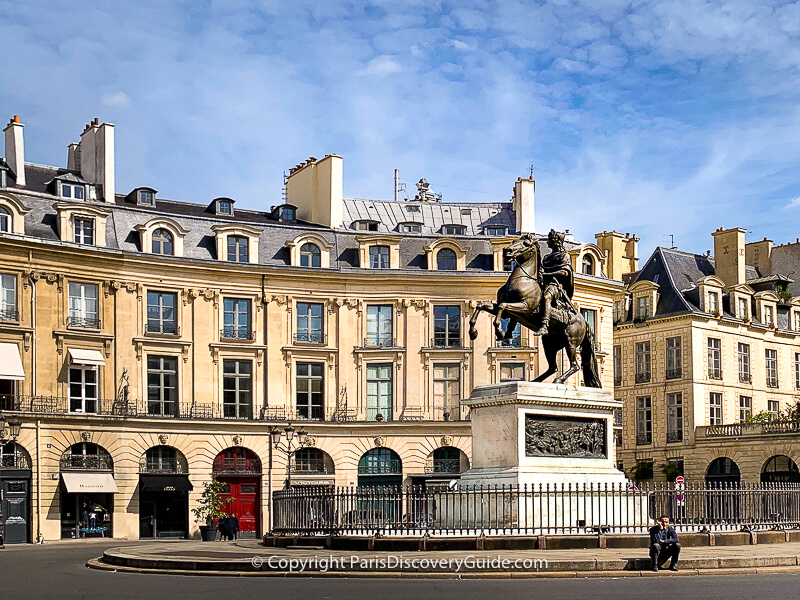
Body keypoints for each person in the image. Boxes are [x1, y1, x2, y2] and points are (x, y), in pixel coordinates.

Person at [539, 229, 578, 335]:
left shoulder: (564, 256)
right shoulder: (547, 257)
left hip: (556, 285)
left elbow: (564, 272)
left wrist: (547, 275)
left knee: (547, 297)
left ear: (555, 242)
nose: (547, 242)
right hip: (543, 283)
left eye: (549, 240)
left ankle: (545, 324)